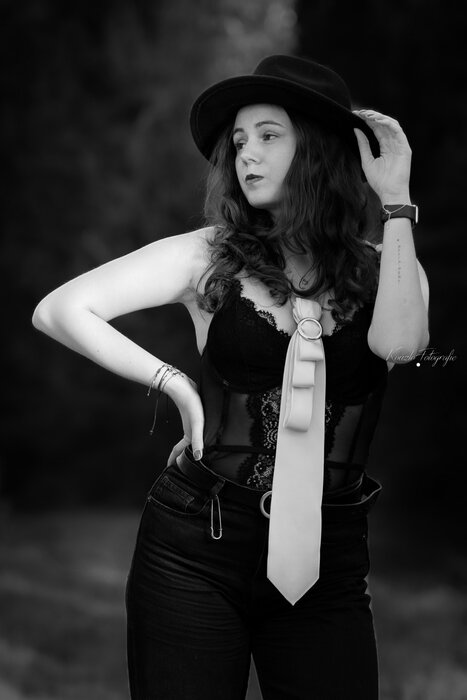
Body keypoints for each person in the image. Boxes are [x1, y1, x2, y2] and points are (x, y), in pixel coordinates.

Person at [32, 54, 430, 699]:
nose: (247, 155)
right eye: (240, 141)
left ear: (319, 149)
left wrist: (397, 202)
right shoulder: (209, 255)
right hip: (196, 544)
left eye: (270, 136)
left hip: (328, 562)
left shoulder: (387, 265)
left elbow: (402, 344)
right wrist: (173, 383)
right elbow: (61, 309)